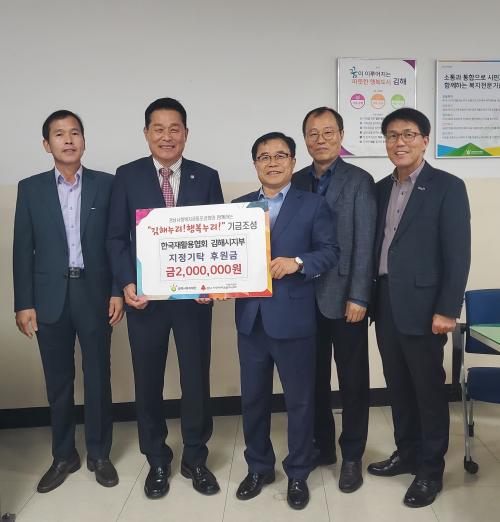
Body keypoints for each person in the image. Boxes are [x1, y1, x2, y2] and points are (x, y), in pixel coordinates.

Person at [106, 97, 224, 499]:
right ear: (146, 133)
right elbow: (116, 238)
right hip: (146, 302)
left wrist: (212, 282)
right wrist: (126, 283)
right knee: (148, 381)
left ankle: (195, 457)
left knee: (196, 380)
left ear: (186, 133)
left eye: (175, 129)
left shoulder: (206, 176)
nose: (167, 136)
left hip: (193, 303)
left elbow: (216, 234)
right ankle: (156, 457)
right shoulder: (127, 175)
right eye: (159, 128)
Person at [13, 110, 124, 493]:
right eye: (59, 134)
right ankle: (64, 455)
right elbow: (22, 249)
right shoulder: (30, 189)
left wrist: (116, 290)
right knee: (58, 382)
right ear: (47, 145)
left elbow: (117, 242)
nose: (68, 140)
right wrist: (23, 303)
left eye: (75, 133)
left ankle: (99, 454)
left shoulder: (107, 185)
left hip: (95, 294)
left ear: (84, 141)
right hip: (49, 299)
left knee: (98, 377)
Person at [368, 108, 471, 507]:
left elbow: (457, 253)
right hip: (385, 302)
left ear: (425, 140)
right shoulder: (380, 188)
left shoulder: (447, 186)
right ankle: (407, 452)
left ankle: (430, 469)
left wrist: (448, 309)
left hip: (427, 307)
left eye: (409, 134)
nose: (400, 142)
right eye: (392, 135)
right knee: (397, 385)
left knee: (427, 390)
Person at [233, 132, 339, 510]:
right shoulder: (238, 207)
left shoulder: (313, 204)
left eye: (280, 156)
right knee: (253, 400)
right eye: (264, 157)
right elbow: (226, 259)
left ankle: (298, 472)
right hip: (251, 321)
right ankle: (259, 467)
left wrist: (297, 263)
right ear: (255, 164)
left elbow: (330, 252)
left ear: (293, 162)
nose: (273, 163)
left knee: (300, 401)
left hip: (294, 319)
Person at [292, 107, 376, 492]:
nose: (321, 139)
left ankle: (352, 455)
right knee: (311, 380)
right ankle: (322, 446)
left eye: (328, 132)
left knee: (353, 381)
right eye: (313, 133)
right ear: (305, 140)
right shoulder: (295, 180)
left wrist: (360, 295)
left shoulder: (359, 181)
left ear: (341, 136)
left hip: (345, 300)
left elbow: (365, 243)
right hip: (301, 299)